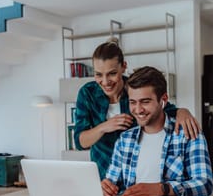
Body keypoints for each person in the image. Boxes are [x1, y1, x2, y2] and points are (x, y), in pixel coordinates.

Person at [74, 39, 201, 180]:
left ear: (123, 67)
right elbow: (80, 142)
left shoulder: (135, 88)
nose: (105, 81)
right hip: (105, 176)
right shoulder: (87, 93)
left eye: (112, 73)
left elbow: (163, 107)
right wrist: (104, 127)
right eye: (98, 74)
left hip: (136, 176)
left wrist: (183, 112)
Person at [101, 66, 213, 196]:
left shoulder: (188, 134)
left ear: (163, 99)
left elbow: (204, 185)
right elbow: (111, 182)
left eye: (145, 102)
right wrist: (105, 187)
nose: (138, 110)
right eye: (132, 102)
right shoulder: (125, 140)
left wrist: (162, 189)